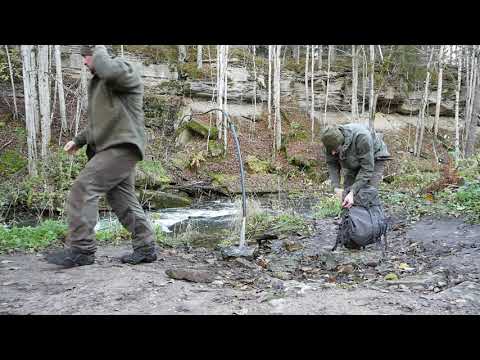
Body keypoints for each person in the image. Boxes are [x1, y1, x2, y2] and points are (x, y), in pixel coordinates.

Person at [46, 45, 157, 268]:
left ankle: (82, 250)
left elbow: (108, 69)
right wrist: (78, 140)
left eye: (87, 57)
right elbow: (99, 125)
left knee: (83, 189)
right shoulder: (100, 84)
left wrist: (98, 50)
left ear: (98, 54)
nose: (85, 62)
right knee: (122, 199)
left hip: (122, 147)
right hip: (111, 148)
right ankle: (145, 248)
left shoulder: (124, 71)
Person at [320, 123, 391, 209]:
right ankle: (349, 218)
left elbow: (367, 169)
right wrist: (336, 187)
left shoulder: (362, 137)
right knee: (346, 193)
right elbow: (332, 164)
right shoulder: (329, 143)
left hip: (375, 157)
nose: (333, 153)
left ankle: (371, 217)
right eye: (330, 150)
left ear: (342, 143)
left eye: (335, 150)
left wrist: (353, 192)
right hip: (352, 159)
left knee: (367, 193)